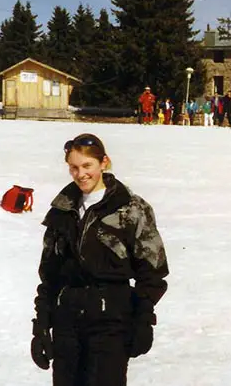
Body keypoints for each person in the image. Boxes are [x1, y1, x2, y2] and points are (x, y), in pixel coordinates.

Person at [30, 133, 169, 386]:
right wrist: (41, 325)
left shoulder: (130, 209)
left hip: (110, 320)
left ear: (104, 163)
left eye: (87, 166)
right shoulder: (62, 210)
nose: (80, 174)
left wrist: (144, 318)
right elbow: (49, 274)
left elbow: (152, 271)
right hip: (67, 321)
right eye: (73, 167)